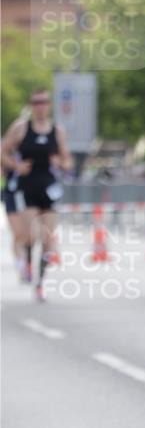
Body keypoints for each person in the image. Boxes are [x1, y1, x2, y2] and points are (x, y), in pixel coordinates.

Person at [0, 88, 72, 301]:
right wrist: (16, 166)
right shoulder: (21, 128)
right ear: (31, 105)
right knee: (30, 235)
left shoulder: (57, 131)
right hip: (26, 187)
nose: (40, 106)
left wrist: (61, 163)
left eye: (43, 102)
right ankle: (28, 266)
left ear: (49, 105)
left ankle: (40, 283)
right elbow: (2, 151)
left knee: (48, 240)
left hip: (48, 188)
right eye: (36, 102)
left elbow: (68, 161)